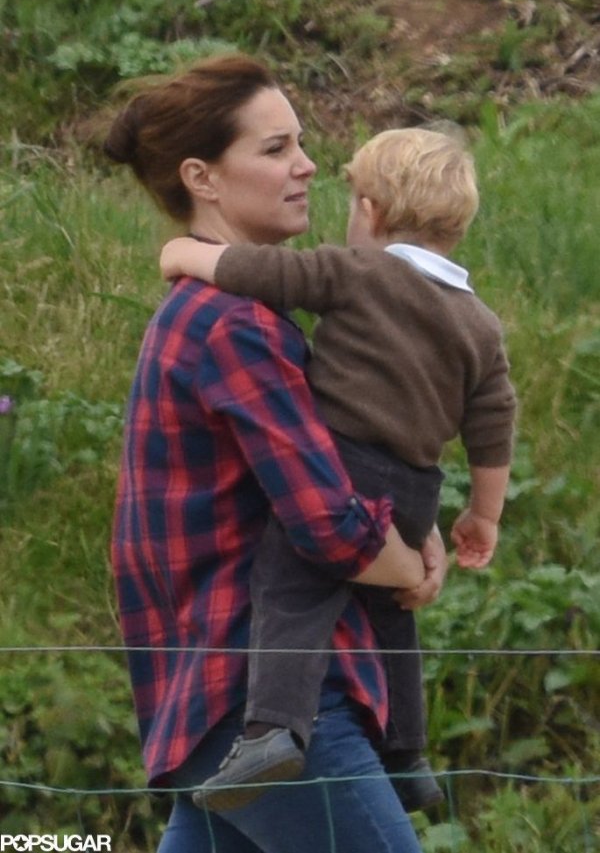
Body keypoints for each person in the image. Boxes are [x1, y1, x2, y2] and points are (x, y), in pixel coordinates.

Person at [106, 53, 446, 853]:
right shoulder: (235, 325)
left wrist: (406, 529)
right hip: (274, 707)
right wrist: (411, 566)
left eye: (300, 143)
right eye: (275, 148)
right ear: (204, 177)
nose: (308, 164)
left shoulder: (213, 312)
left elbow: (329, 472)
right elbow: (329, 525)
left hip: (216, 701)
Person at [160, 126, 518, 811]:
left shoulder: (358, 272)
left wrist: (186, 254)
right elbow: (493, 424)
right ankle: (408, 751)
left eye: (353, 200)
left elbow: (265, 273)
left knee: (290, 589)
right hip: (418, 489)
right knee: (392, 614)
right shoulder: (479, 322)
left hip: (348, 466)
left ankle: (273, 730)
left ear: (373, 211)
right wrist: (483, 513)